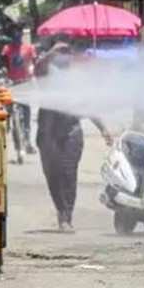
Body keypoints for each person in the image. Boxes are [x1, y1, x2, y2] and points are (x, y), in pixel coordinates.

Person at [35, 37, 113, 232]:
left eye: (67, 52)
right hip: (48, 133)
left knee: (69, 174)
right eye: (61, 53)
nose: (65, 57)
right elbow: (38, 67)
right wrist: (51, 52)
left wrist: (103, 129)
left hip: (71, 132)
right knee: (52, 174)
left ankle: (66, 216)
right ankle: (60, 209)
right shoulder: (46, 73)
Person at [1, 24, 37, 154]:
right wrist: (3, 75)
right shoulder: (7, 49)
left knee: (26, 111)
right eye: (14, 34)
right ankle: (11, 131)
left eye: (19, 34)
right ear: (11, 36)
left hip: (25, 83)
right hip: (12, 83)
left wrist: (32, 71)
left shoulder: (29, 48)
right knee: (10, 111)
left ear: (22, 35)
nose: (17, 37)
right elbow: (4, 65)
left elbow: (33, 63)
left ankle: (28, 141)